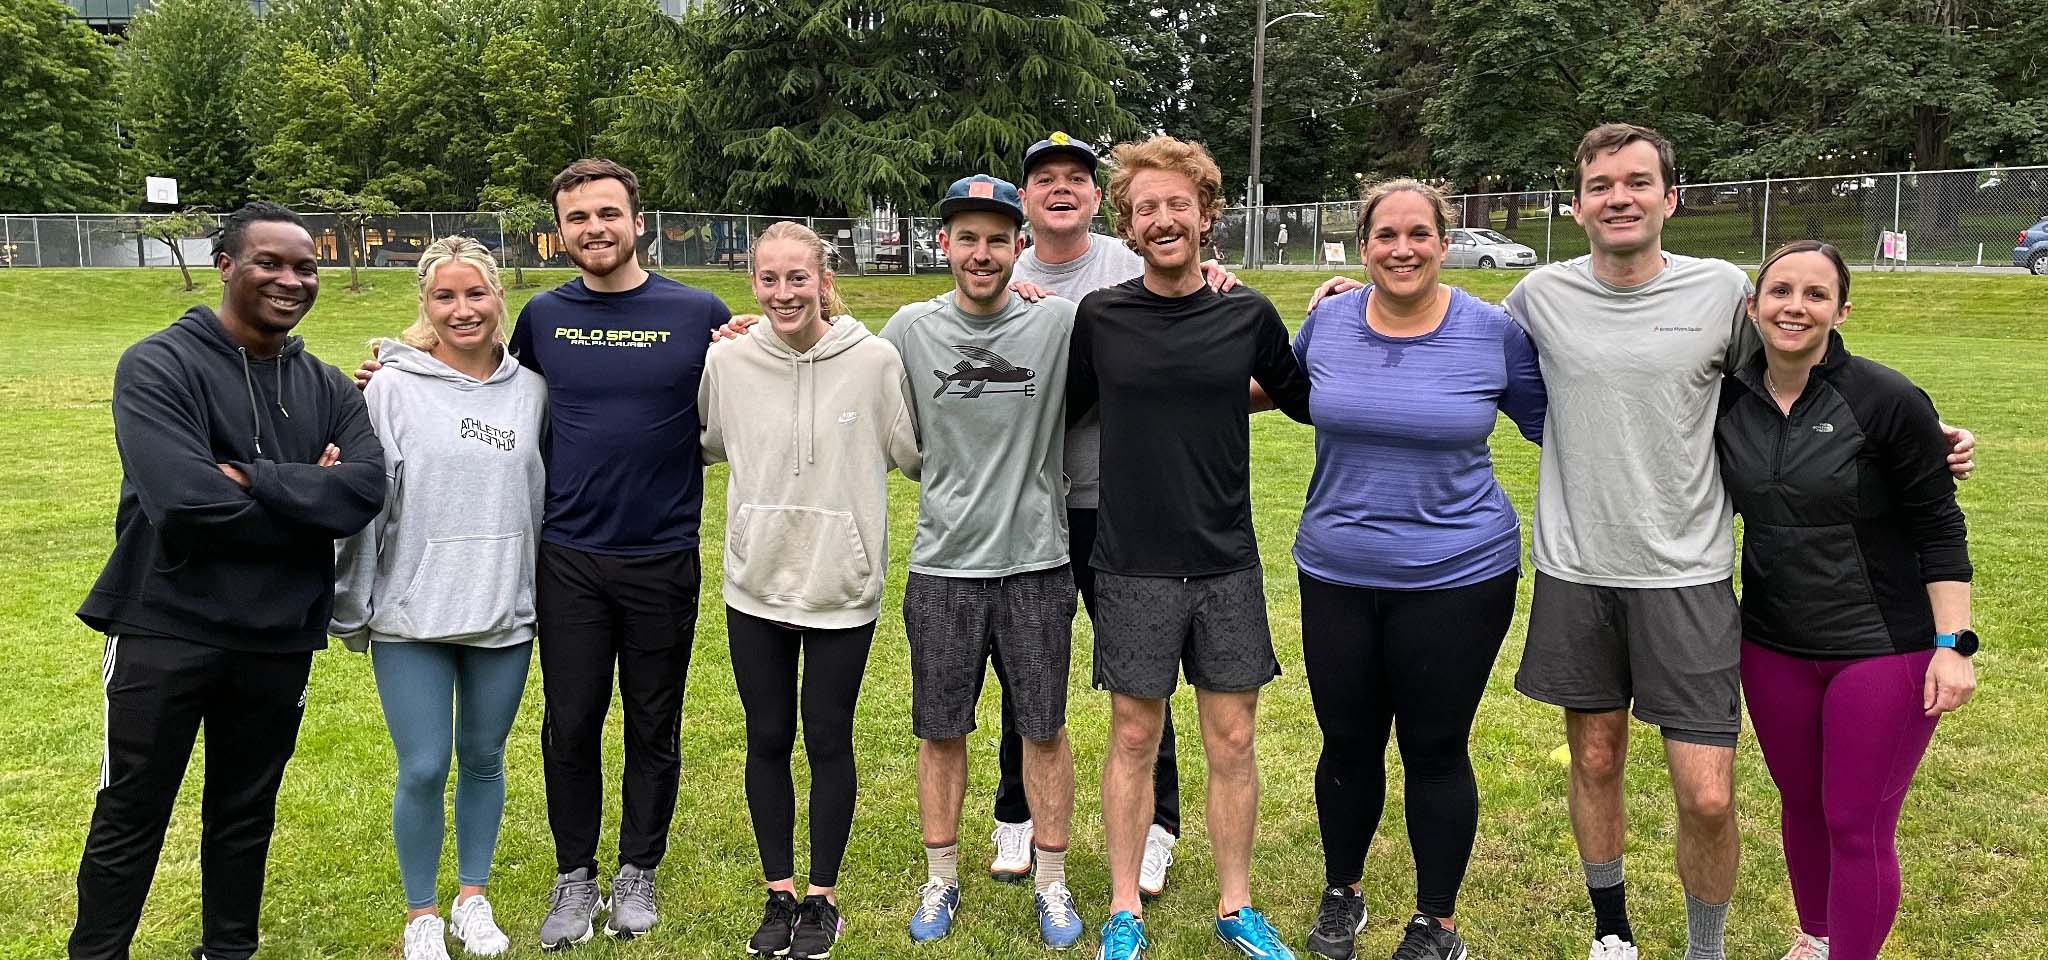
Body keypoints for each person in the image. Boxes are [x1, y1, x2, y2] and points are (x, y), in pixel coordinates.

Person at [1499, 124, 1977, 960]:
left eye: (1639, 182)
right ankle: (1611, 932)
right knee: (1598, 760)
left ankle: (1704, 950)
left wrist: (1915, 427)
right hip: (1574, 569)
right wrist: (1350, 296)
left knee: (1710, 796)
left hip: (1687, 575)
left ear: (1669, 199)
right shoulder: (1538, 296)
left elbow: (1803, 361)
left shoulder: (1722, 289)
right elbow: (1444, 333)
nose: (1621, 197)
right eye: (1602, 184)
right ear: (1576, 206)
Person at [359, 159, 731, 950]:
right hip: (565, 558)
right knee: (570, 726)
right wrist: (390, 371)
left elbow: (768, 365)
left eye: (608, 213)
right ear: (559, 231)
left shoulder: (699, 311)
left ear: (637, 219)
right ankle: (574, 878)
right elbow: (476, 390)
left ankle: (637, 871)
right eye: (577, 218)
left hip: (663, 554)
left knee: (653, 722)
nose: (594, 228)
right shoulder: (542, 319)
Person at [70, 201, 387, 960]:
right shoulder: (158, 364)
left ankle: (228, 951)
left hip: (278, 637)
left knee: (245, 812)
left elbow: (364, 492)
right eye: (269, 262)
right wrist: (304, 491)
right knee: (131, 810)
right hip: (165, 627)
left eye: (304, 266)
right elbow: (182, 503)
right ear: (225, 266)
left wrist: (248, 477)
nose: (291, 279)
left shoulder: (328, 386)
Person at [1280, 179, 1544, 960]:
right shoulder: (1326, 319)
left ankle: (1437, 922)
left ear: (1444, 241)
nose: (1403, 249)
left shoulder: (1491, 331)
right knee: (1347, 741)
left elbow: (1559, 428)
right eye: (1386, 236)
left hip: (1459, 574)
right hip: (1336, 569)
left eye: (1419, 234)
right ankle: (1343, 893)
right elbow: (1286, 393)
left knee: (1435, 748)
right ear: (1362, 247)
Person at [1068, 135, 1312, 960]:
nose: (1164, 219)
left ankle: (1236, 905)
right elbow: (1062, 407)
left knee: (1232, 741)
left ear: (1208, 214)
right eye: (1147, 209)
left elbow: (1301, 397)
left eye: (1179, 205)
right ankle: (1123, 909)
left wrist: (1341, 307)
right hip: (1131, 561)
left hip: (1225, 563)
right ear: (1129, 228)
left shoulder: (1245, 312)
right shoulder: (1099, 318)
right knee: (1134, 737)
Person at [996, 130, 1243, 902]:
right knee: (1028, 662)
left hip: (1121, 504)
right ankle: (1016, 812)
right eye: (1045, 180)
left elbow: (1184, 312)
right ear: (1027, 198)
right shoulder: (1002, 266)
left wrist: (1211, 277)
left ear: (1102, 201)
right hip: (1033, 500)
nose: (1061, 189)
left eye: (1077, 178)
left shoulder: (1131, 255)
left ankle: (1158, 829)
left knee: (1143, 675)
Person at [1717, 241, 1977, 960]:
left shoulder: (1887, 399)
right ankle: (1818, 937)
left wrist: (1954, 646)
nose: (1794, 307)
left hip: (1882, 650)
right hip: (1771, 644)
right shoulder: (1728, 397)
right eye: (1779, 292)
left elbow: (1939, 526)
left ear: (1841, 310)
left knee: (1855, 822)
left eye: (1815, 295)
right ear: (1753, 305)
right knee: (1800, 807)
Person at [699, 221, 921, 960]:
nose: (784, 293)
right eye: (769, 279)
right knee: (767, 738)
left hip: (841, 586)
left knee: (828, 739)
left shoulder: (876, 361)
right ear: (753, 283)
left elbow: (913, 455)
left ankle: (823, 899)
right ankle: (779, 891)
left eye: (799, 278)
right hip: (754, 584)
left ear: (825, 280)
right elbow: (707, 442)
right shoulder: (727, 362)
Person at [881, 174, 1085, 950]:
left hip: (1037, 563)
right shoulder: (907, 328)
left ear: (1018, 246)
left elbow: (1146, 321)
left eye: (998, 238)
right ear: (945, 245)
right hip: (943, 567)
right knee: (941, 731)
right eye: (967, 237)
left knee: (1044, 729)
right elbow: (833, 360)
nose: (982, 252)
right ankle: (940, 881)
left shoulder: (1058, 323)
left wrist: (1213, 275)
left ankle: (1053, 884)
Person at [331, 237, 547, 960]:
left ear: (498, 299)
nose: (463, 310)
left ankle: (471, 899)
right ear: (424, 306)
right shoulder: (390, 388)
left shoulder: (530, 390)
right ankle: (421, 911)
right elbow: (366, 503)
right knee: (423, 765)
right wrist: (350, 603)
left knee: (484, 757)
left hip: (503, 610)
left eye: (475, 294)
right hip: (411, 613)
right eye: (445, 297)